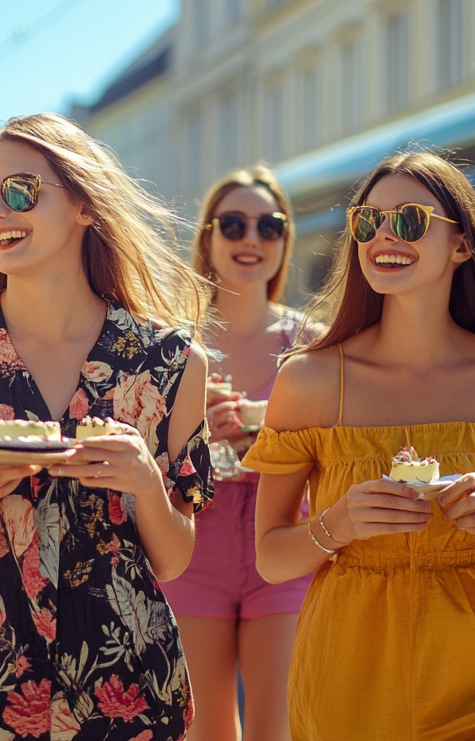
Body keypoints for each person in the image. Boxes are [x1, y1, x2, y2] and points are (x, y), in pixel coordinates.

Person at [0, 113, 214, 740]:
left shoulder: (170, 362)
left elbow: (174, 557)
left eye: (20, 190)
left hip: (124, 690)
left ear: (84, 203)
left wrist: (143, 483)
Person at [248, 152, 475, 740]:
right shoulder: (308, 381)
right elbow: (271, 557)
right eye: (368, 220)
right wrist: (338, 524)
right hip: (348, 681)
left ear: (462, 244)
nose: (384, 234)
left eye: (409, 219)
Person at [164, 167, 310, 741]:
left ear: (283, 242)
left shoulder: (313, 344)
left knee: (278, 730)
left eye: (269, 226)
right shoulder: (174, 343)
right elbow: (144, 458)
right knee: (207, 732)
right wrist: (201, 438)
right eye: (233, 224)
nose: (251, 238)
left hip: (287, 550)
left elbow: (335, 458)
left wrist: (270, 443)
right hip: (196, 552)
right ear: (208, 239)